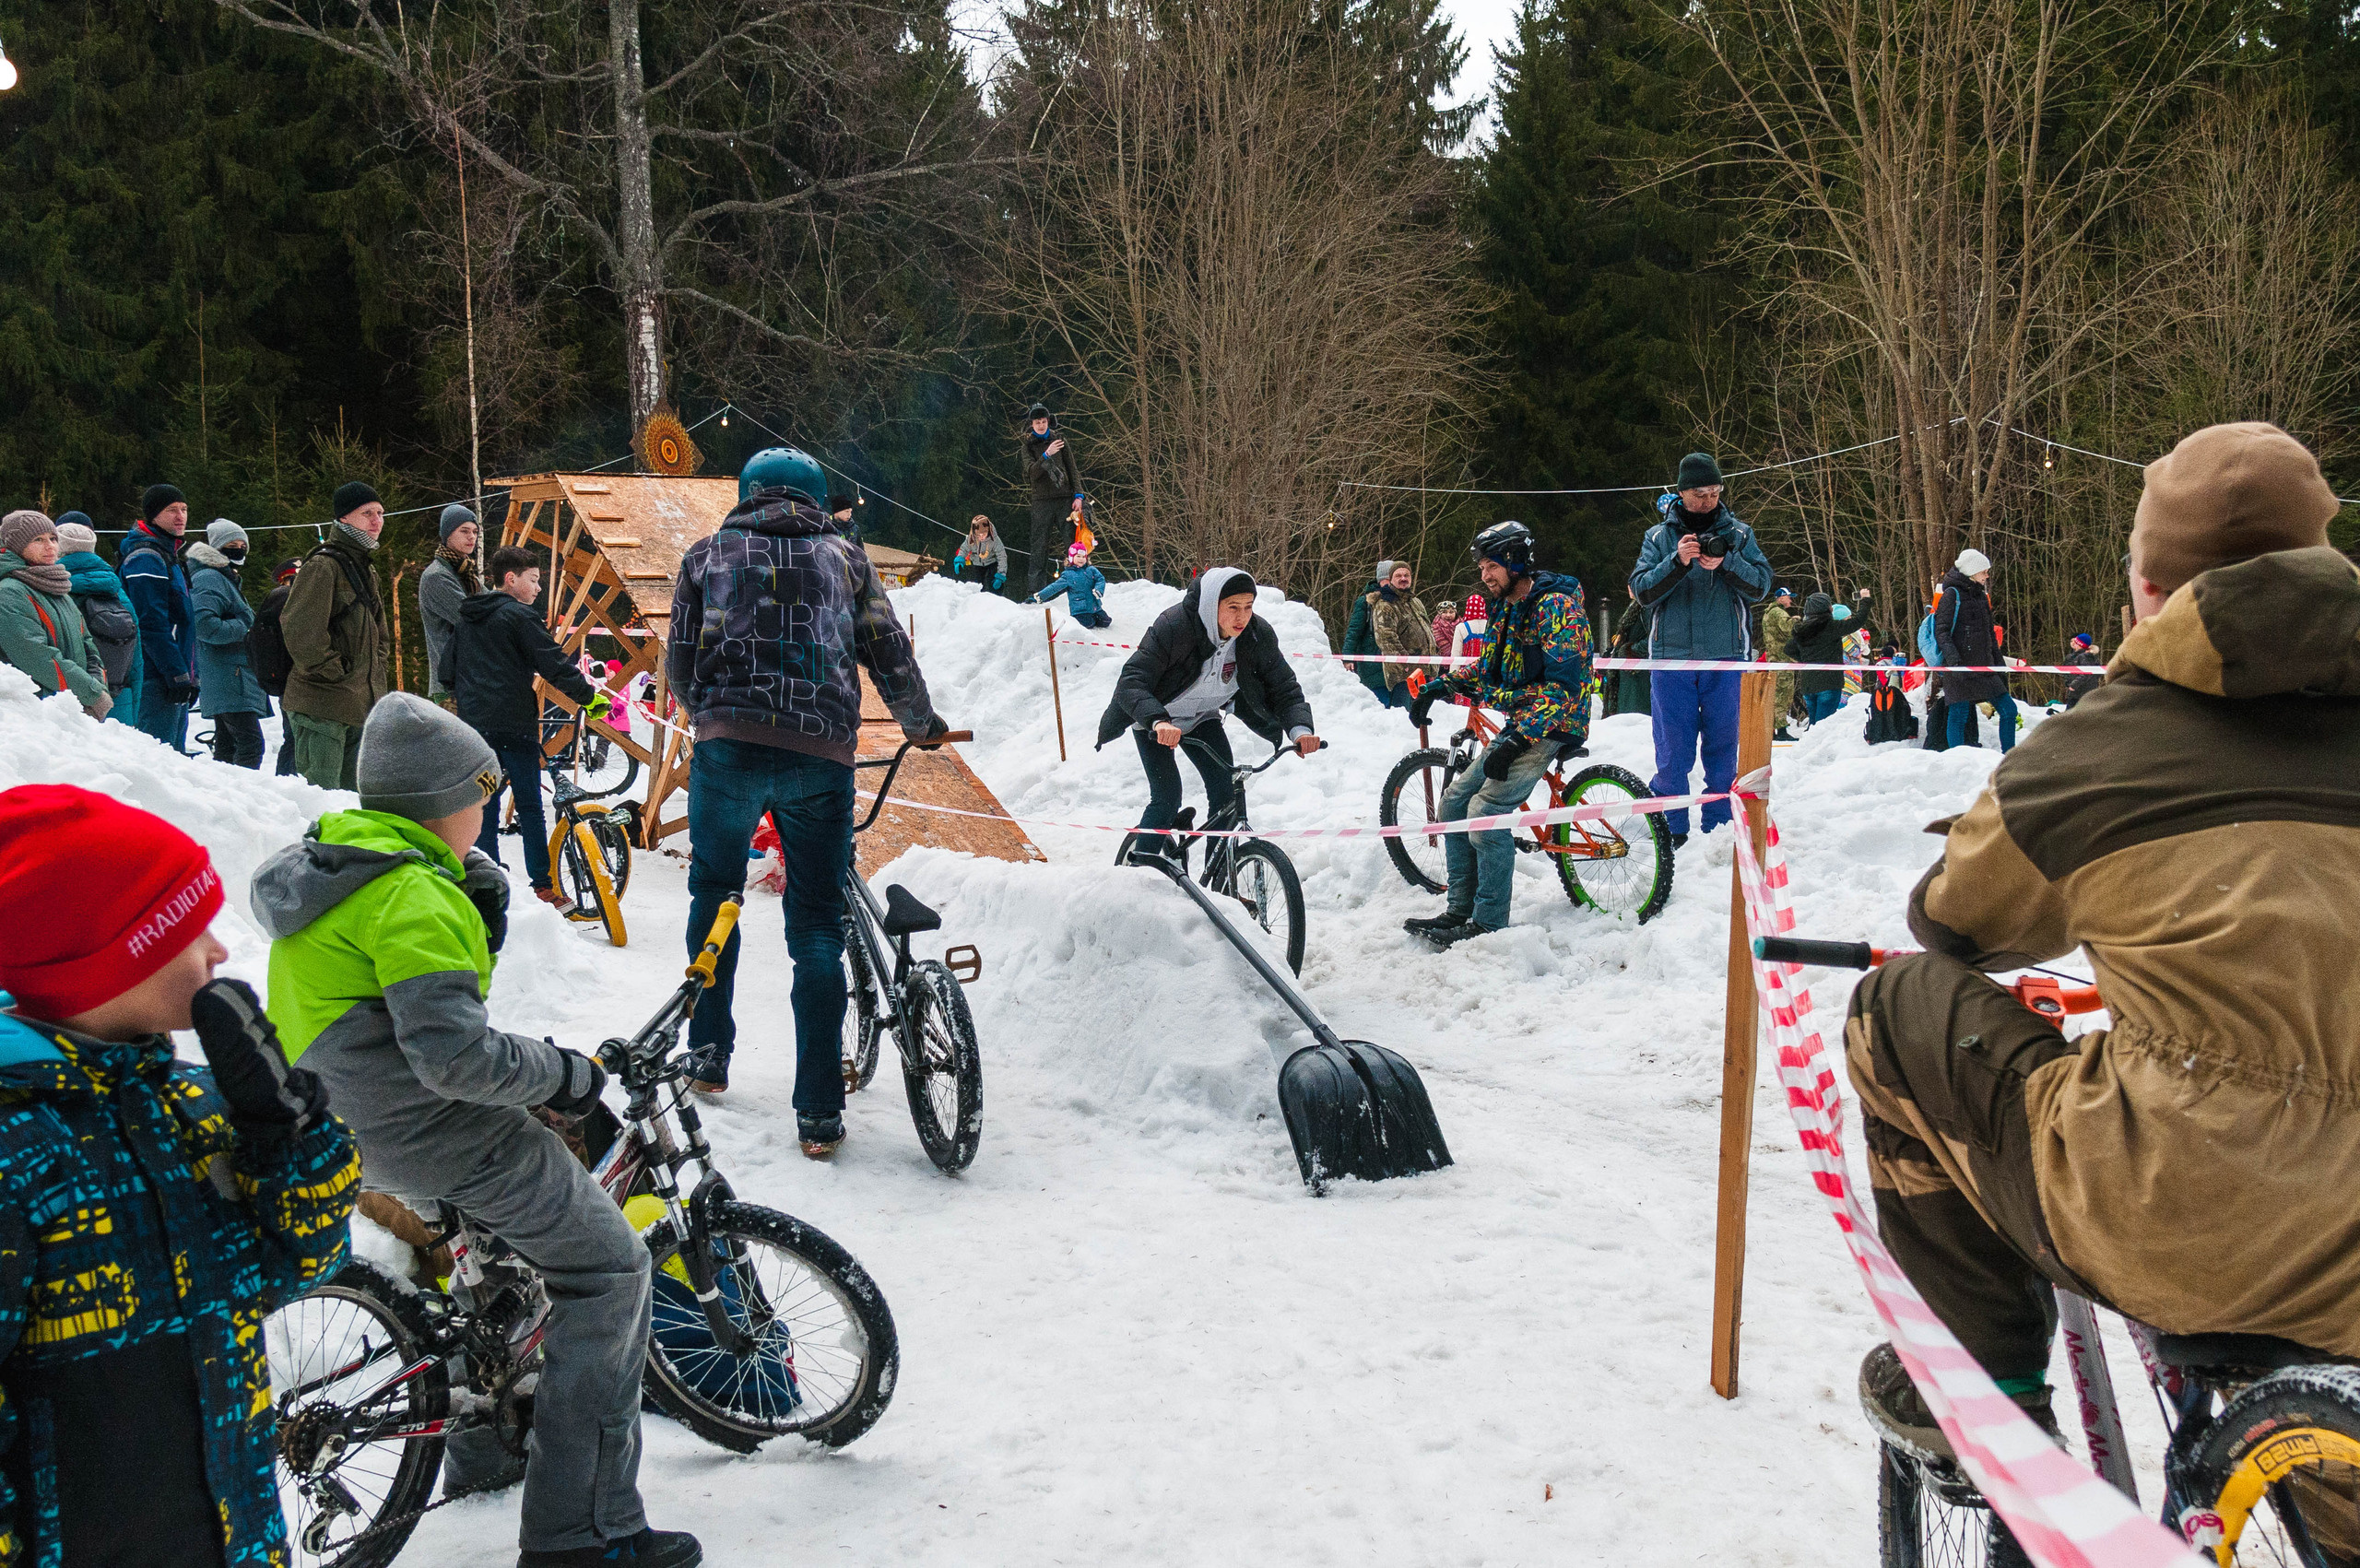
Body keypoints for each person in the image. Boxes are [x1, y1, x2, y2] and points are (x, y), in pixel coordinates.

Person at [1851, 420, 2360, 1459]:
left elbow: (1949, 922)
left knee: (1897, 1012)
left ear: (2151, 589)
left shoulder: (2090, 753)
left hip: (2174, 1215)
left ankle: (1989, 1401)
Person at [251, 695, 698, 1568]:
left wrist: (479, 919)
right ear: (443, 801)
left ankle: (485, 1443)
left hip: (342, 1120)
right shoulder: (412, 893)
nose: (488, 809)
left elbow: (407, 1010)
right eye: (480, 793)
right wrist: (566, 1073)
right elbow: (455, 1058)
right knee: (609, 1271)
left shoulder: (339, 866)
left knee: (487, 1267)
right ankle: (585, 1530)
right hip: (428, 1127)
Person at [0, 784, 359, 1568]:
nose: (220, 952)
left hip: (236, 1537)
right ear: (103, 957)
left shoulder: (190, 1105)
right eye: (189, 926)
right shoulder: (18, 1145)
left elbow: (301, 1265)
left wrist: (286, 1135)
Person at [667, 447, 947, 1156]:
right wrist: (920, 723)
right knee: (818, 927)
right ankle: (819, 1113)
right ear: (817, 497)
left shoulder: (708, 554)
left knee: (714, 893)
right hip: (819, 752)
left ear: (749, 491)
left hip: (728, 746)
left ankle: (708, 1057)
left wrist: (713, 716)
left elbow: (678, 660)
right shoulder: (846, 558)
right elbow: (888, 651)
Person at [1404, 521, 1591, 947]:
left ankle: (1488, 922)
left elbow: (1566, 688)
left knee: (1485, 809)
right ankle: (1459, 909)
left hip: (1553, 722)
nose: (1485, 575)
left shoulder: (1555, 607)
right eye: (1482, 567)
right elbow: (1490, 669)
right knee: (1454, 799)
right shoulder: (1505, 605)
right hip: (1522, 720)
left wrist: (1520, 737)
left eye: (1492, 566)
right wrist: (1443, 684)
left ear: (1515, 563)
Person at [1102, 568, 1319, 863]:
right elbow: (1132, 680)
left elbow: (1284, 688)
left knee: (1226, 793)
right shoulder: (1175, 627)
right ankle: (1140, 874)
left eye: (1248, 607)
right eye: (1232, 607)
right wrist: (1157, 720)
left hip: (1202, 718)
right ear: (1211, 604)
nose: (1242, 617)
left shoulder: (1256, 635)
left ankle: (1218, 884)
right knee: (1167, 797)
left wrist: (1301, 730)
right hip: (1156, 720)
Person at [1628, 454, 1773, 847]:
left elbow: (1761, 586)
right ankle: (1670, 830)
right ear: (1681, 493)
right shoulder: (1658, 538)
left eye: (1714, 492)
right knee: (1672, 749)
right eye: (1699, 493)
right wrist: (1677, 562)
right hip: (1672, 659)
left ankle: (1720, 828)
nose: (1708, 500)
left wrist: (1727, 563)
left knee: (1724, 747)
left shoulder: (1740, 535)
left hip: (1726, 657)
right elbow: (1641, 590)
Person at [452, 545, 606, 912]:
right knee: (530, 805)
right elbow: (553, 663)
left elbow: (447, 670)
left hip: (474, 725)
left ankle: (484, 880)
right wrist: (588, 696)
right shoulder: (519, 616)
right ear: (511, 579)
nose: (538, 589)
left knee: (484, 804)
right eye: (534, 580)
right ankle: (543, 885)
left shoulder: (466, 618)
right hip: (513, 725)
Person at [283, 480, 391, 789]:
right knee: (322, 807)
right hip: (321, 708)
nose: (376, 521)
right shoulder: (323, 566)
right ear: (344, 518)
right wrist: (336, 672)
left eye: (380, 513)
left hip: (357, 708)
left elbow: (379, 635)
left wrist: (371, 672)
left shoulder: (365, 568)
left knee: (350, 808)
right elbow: (300, 630)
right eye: (366, 513)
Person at [0, 509, 112, 718]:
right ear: (16, 546)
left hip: (70, 706)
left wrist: (97, 683)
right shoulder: (9, 592)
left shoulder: (57, 589)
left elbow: (87, 643)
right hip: (37, 712)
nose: (50, 546)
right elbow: (35, 655)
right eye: (38, 539)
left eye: (53, 538)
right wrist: (90, 693)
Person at [118, 481, 199, 750]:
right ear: (153, 515)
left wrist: (191, 674)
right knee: (158, 756)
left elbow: (186, 622)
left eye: (184, 509)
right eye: (171, 510)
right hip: (156, 675)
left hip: (174, 673)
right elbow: (151, 623)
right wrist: (176, 673)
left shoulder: (169, 554)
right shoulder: (146, 557)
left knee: (174, 757)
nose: (180, 516)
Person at [188, 518, 271, 768]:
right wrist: (247, 627)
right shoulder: (210, 578)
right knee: (251, 744)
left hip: (232, 675)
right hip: (228, 676)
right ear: (216, 547)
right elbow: (205, 626)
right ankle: (245, 797)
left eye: (241, 543)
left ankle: (226, 797)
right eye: (231, 544)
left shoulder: (224, 577)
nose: (238, 548)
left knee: (228, 745)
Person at [56, 513, 142, 724]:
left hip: (68, 706)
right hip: (119, 699)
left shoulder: (53, 591)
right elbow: (136, 661)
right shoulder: (117, 592)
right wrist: (134, 707)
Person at [1931, 547, 2016, 752]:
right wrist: (1955, 663)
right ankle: (1957, 760)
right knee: (1958, 715)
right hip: (1959, 667)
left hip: (1985, 667)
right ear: (1972, 571)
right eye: (1984, 571)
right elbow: (1941, 632)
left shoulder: (1980, 596)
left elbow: (1989, 634)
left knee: (2009, 710)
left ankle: (2009, 755)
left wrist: (1999, 664)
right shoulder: (1951, 595)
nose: (1987, 575)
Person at [419, 502, 481, 702]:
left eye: (475, 531)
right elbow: (474, 616)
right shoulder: (437, 576)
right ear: (447, 534)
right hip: (451, 685)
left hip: (471, 680)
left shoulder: (465, 572)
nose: (471, 536)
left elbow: (490, 603)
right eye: (464, 531)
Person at [1021, 402, 1082, 595]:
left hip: (1064, 498)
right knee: (1039, 545)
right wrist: (1046, 455)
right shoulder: (1028, 446)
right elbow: (1032, 473)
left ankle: (1076, 585)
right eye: (1037, 422)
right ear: (1032, 424)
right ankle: (1036, 591)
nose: (1041, 425)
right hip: (1041, 501)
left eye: (1044, 421)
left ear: (1048, 421)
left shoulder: (1060, 440)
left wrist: (1078, 496)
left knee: (1072, 543)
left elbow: (1072, 469)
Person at [254, 558, 304, 775]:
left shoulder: (276, 599)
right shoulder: (285, 599)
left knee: (293, 737)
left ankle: (286, 781)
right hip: (294, 676)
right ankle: (288, 781)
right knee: (296, 738)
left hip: (286, 678)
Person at [1369, 560, 1432, 712]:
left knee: (1422, 718)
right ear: (1391, 579)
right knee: (1405, 721)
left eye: (1406, 575)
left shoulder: (1415, 601)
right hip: (1403, 676)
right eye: (1398, 575)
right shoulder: (1385, 604)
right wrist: (1406, 664)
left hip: (1424, 671)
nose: (1403, 578)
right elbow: (1386, 639)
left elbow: (1427, 630)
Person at [1789, 590, 1853, 725]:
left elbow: (1789, 648)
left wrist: (1805, 659)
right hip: (1829, 682)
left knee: (1814, 725)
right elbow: (1857, 622)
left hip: (1809, 684)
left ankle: (1810, 744)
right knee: (1823, 727)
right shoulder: (1830, 627)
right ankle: (1817, 745)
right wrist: (1866, 601)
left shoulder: (1803, 629)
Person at [1341, 560, 1393, 705]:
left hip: (1396, 667)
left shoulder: (1401, 601)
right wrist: (1348, 657)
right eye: (1388, 579)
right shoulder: (1365, 602)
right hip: (1372, 663)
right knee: (1380, 705)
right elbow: (1354, 631)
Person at [1030, 541, 1112, 628]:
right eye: (1078, 556)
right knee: (1089, 623)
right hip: (1080, 609)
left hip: (1095, 606)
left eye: (1083, 557)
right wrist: (1039, 596)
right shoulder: (1068, 574)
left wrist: (1099, 589)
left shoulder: (1091, 570)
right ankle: (1079, 619)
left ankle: (1094, 616)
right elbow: (1054, 587)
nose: (1081, 559)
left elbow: (1100, 579)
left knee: (1106, 622)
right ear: (1071, 558)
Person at [1761, 584, 1799, 740]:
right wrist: (1797, 620)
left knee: (1776, 695)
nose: (1791, 600)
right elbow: (1788, 627)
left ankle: (1772, 730)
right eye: (1789, 597)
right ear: (1781, 598)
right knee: (1783, 695)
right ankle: (1781, 731)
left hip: (1774, 659)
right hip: (1781, 660)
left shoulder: (1769, 613)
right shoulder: (1778, 612)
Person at [950, 514, 1008, 594]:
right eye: (978, 535)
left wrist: (1001, 575)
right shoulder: (971, 539)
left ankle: (996, 601)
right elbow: (964, 549)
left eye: (983, 535)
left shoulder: (995, 540)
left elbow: (1002, 556)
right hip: (977, 564)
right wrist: (959, 560)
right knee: (977, 586)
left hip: (992, 563)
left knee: (994, 585)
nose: (981, 537)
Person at [2058, 632, 2104, 710]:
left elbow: (2087, 673)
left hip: (2080, 693)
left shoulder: (2084, 657)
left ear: (2081, 645)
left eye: (2076, 642)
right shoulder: (2077, 656)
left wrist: (2074, 684)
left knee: (2072, 716)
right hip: (2078, 692)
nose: (2073, 644)